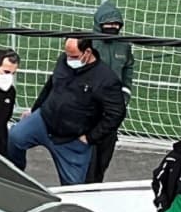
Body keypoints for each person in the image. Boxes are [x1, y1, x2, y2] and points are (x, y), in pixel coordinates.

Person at [7, 38, 126, 185]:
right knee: (15, 137)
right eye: (67, 54)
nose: (68, 59)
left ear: (87, 52)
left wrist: (90, 137)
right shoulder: (64, 60)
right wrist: (34, 110)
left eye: (74, 56)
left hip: (71, 139)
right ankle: (15, 176)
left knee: (73, 189)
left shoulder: (106, 79)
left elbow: (116, 113)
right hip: (44, 120)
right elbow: (50, 85)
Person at [85, 1, 135, 184]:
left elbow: (128, 69)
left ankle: (97, 183)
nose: (113, 27)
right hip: (90, 110)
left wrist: (125, 95)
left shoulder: (124, 45)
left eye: (116, 24)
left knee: (105, 154)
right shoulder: (88, 42)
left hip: (112, 110)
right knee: (89, 154)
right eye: (109, 24)